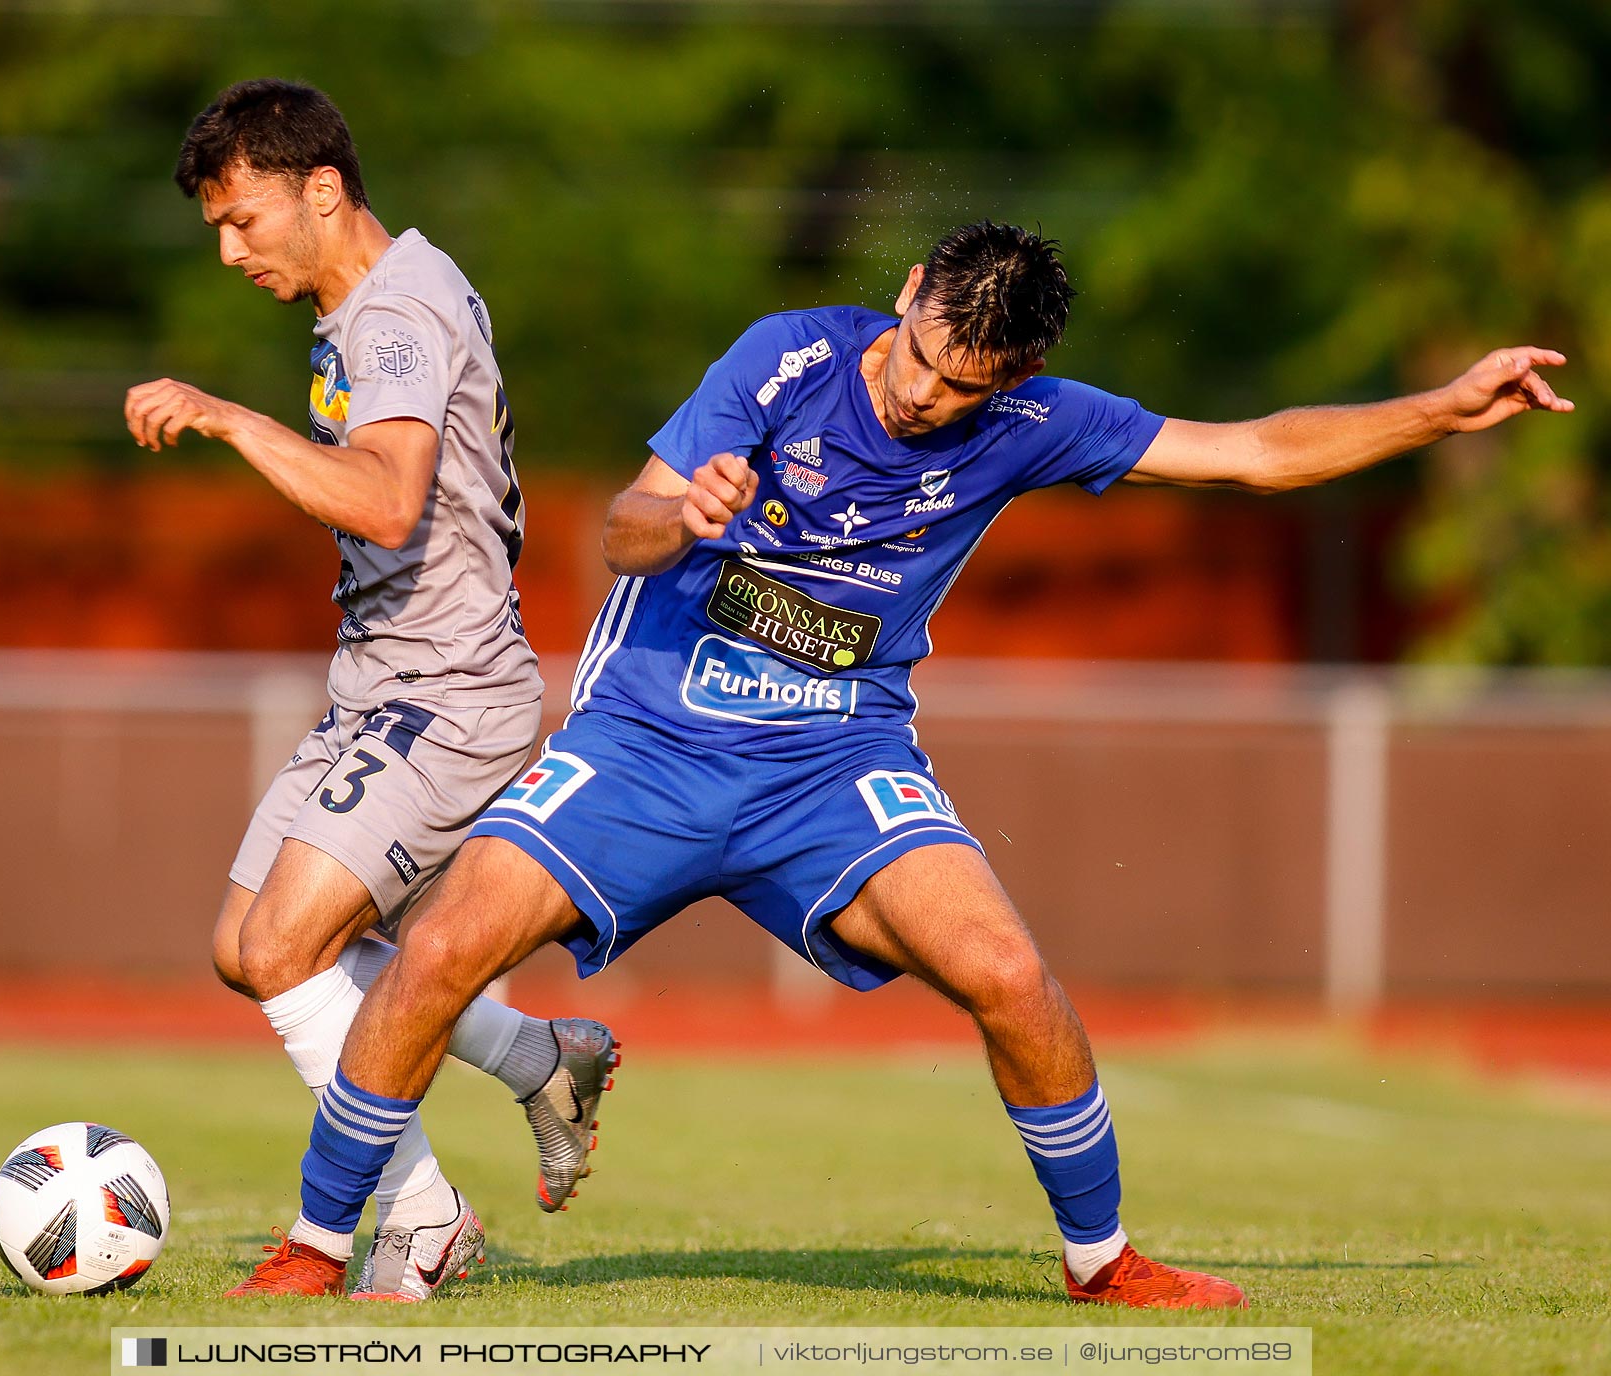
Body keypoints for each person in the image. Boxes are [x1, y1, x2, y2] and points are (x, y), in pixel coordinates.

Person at [235, 220, 1571, 1306]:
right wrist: (679, 510)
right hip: (649, 737)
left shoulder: (1032, 420)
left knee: (1007, 972)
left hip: (834, 764)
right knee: (441, 947)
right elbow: (628, 535)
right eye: (926, 354)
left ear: (1012, 382)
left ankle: (1104, 1267)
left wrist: (1442, 412)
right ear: (911, 290)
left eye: (965, 386)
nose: (929, 393)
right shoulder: (783, 361)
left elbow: (1258, 453)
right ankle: (314, 1247)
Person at [122, 79, 618, 1302]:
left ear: (324, 190)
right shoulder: (372, 301)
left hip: (446, 695)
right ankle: (537, 1053)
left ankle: (419, 1218)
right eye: (218, 229)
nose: (232, 248)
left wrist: (231, 419)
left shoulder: (390, 316)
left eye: (245, 220)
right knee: (248, 946)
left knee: (291, 943)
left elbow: (389, 498)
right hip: (384, 687)